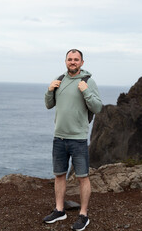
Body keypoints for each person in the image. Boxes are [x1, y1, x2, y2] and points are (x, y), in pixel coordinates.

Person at [43, 49, 102, 230]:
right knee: (59, 175)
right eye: (70, 59)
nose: (73, 62)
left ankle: (83, 214)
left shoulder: (88, 82)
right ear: (65, 61)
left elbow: (98, 107)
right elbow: (48, 105)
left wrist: (86, 92)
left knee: (82, 177)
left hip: (78, 139)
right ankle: (60, 210)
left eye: (76, 59)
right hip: (59, 138)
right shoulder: (59, 80)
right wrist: (49, 90)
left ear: (82, 63)